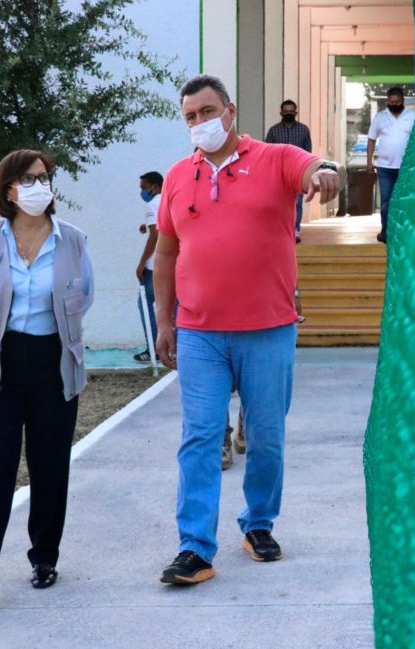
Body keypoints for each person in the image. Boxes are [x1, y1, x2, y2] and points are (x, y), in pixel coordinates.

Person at [154, 74, 345, 585]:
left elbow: (316, 167)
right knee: (200, 437)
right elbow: (166, 253)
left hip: (267, 329)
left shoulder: (274, 158)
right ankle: (194, 547)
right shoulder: (178, 176)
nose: (199, 122)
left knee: (266, 436)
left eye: (207, 111)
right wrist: (164, 320)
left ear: (230, 111)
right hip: (199, 333)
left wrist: (327, 172)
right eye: (190, 116)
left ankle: (258, 523)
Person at [0, 149, 94, 600]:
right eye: (29, 179)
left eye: (44, 177)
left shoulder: (72, 240)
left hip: (54, 361)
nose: (39, 186)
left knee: (49, 465)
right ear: (8, 189)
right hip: (1, 361)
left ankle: (44, 558)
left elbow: (84, 296)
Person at [367, 87, 415, 243]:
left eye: (397, 102)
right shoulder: (380, 117)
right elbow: (371, 140)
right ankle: (386, 232)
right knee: (386, 201)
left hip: (406, 168)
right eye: (391, 102)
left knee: (404, 200)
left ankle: (403, 231)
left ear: (402, 101)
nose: (394, 104)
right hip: (384, 168)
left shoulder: (412, 116)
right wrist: (369, 162)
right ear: (388, 101)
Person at [265, 99, 313, 243]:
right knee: (278, 202)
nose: (289, 114)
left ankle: (295, 230)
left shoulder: (303, 130)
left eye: (291, 111)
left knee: (297, 202)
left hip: (298, 171)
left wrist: (307, 171)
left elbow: (308, 152)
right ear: (281, 113)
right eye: (286, 112)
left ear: (296, 112)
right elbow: (267, 152)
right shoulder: (274, 131)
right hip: (278, 172)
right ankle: (280, 230)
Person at [134, 171, 163, 362]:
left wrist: (142, 263)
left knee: (145, 304)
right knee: (173, 306)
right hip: (174, 263)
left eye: (144, 188)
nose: (143, 192)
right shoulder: (171, 201)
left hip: (155, 265)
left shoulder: (152, 204)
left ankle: (153, 349)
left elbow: (156, 235)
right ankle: (173, 348)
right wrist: (147, 224)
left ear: (154, 186)